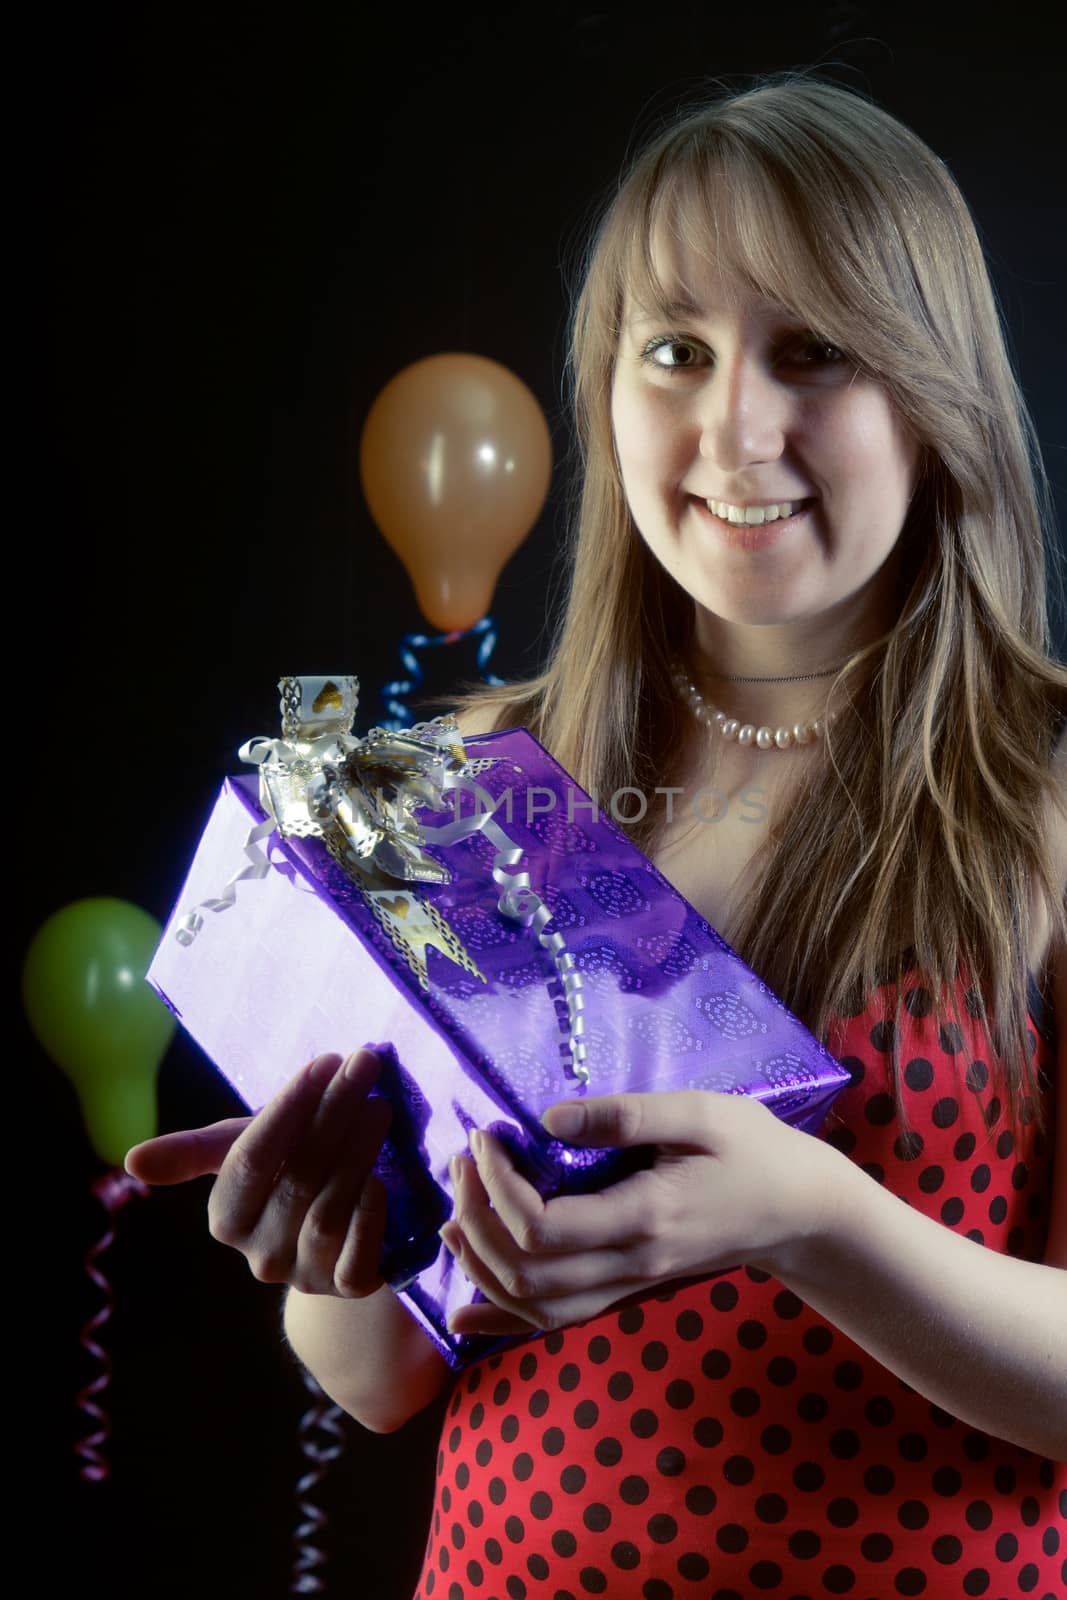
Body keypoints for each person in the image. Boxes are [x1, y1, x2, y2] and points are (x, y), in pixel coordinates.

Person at [128, 70, 1067, 1598]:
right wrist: (333, 1247)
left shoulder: (1051, 794)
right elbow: (378, 1378)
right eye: (676, 351)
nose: (732, 428)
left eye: (814, 350)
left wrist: (815, 1223)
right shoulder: (469, 774)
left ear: (936, 387)